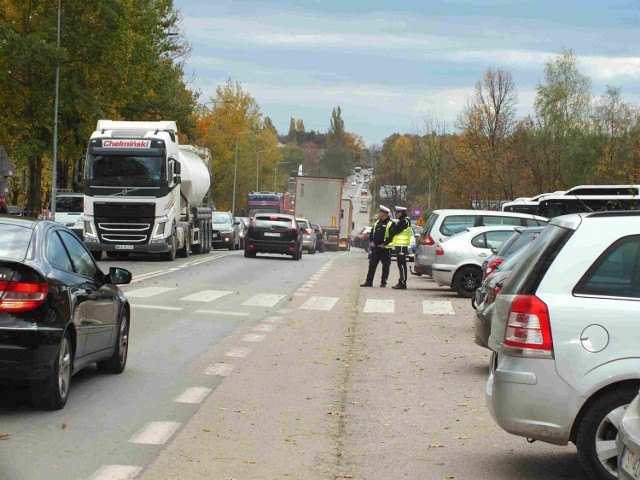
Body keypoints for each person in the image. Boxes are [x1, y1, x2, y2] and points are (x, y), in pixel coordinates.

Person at [360, 205, 393, 287]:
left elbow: (392, 236)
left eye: (380, 212)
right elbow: (372, 233)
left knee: (385, 266)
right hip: (375, 248)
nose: (378, 213)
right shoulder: (377, 223)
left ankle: (383, 282)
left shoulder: (391, 224)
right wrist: (372, 242)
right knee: (372, 265)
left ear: (384, 213)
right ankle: (369, 282)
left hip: (385, 248)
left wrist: (384, 243)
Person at [387, 206, 412, 290]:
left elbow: (394, 231)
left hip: (401, 245)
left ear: (400, 213)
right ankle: (402, 281)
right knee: (401, 264)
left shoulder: (403, 221)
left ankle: (402, 282)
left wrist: (393, 229)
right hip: (401, 245)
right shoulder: (406, 220)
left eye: (397, 213)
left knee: (401, 264)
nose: (396, 215)